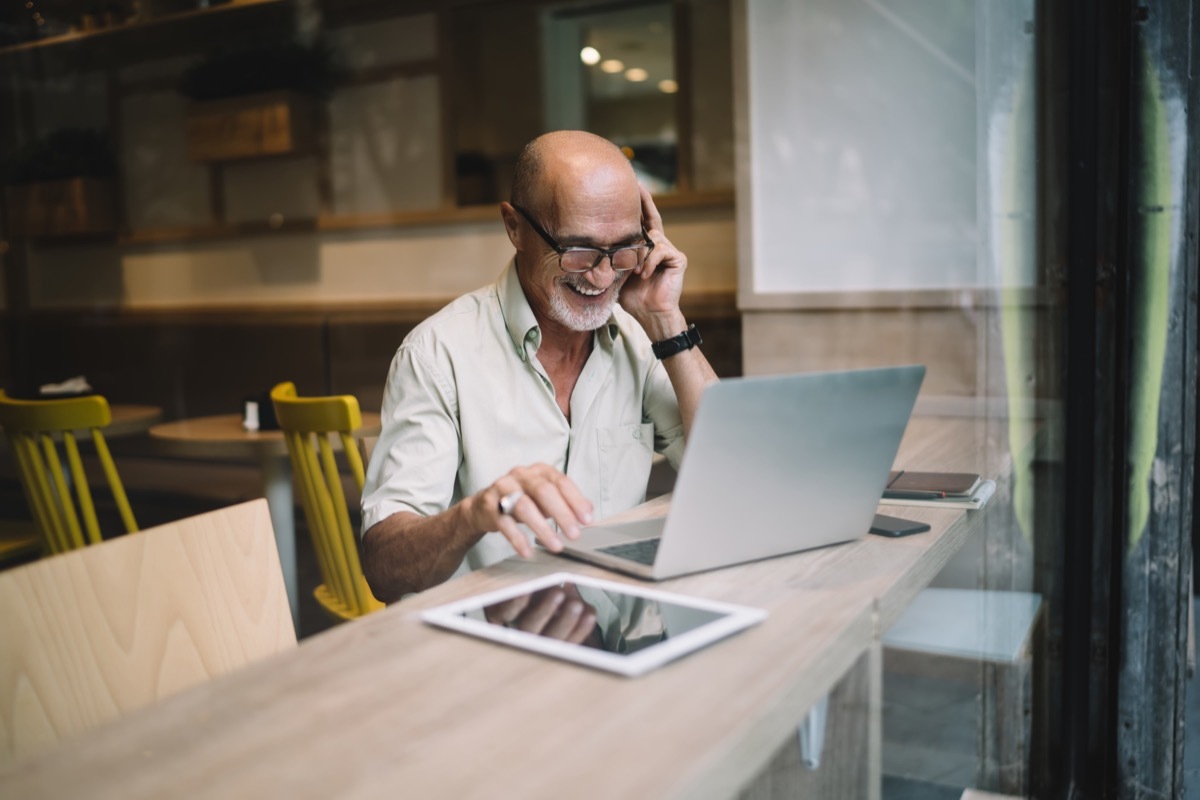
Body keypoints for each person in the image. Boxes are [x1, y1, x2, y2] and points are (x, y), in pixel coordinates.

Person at [360, 130, 717, 603]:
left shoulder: (639, 339)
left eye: (625, 249)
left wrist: (665, 318)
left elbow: (734, 479)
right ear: (514, 227)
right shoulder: (437, 354)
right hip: (486, 647)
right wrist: (472, 516)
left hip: (613, 634)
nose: (604, 276)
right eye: (578, 250)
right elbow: (386, 571)